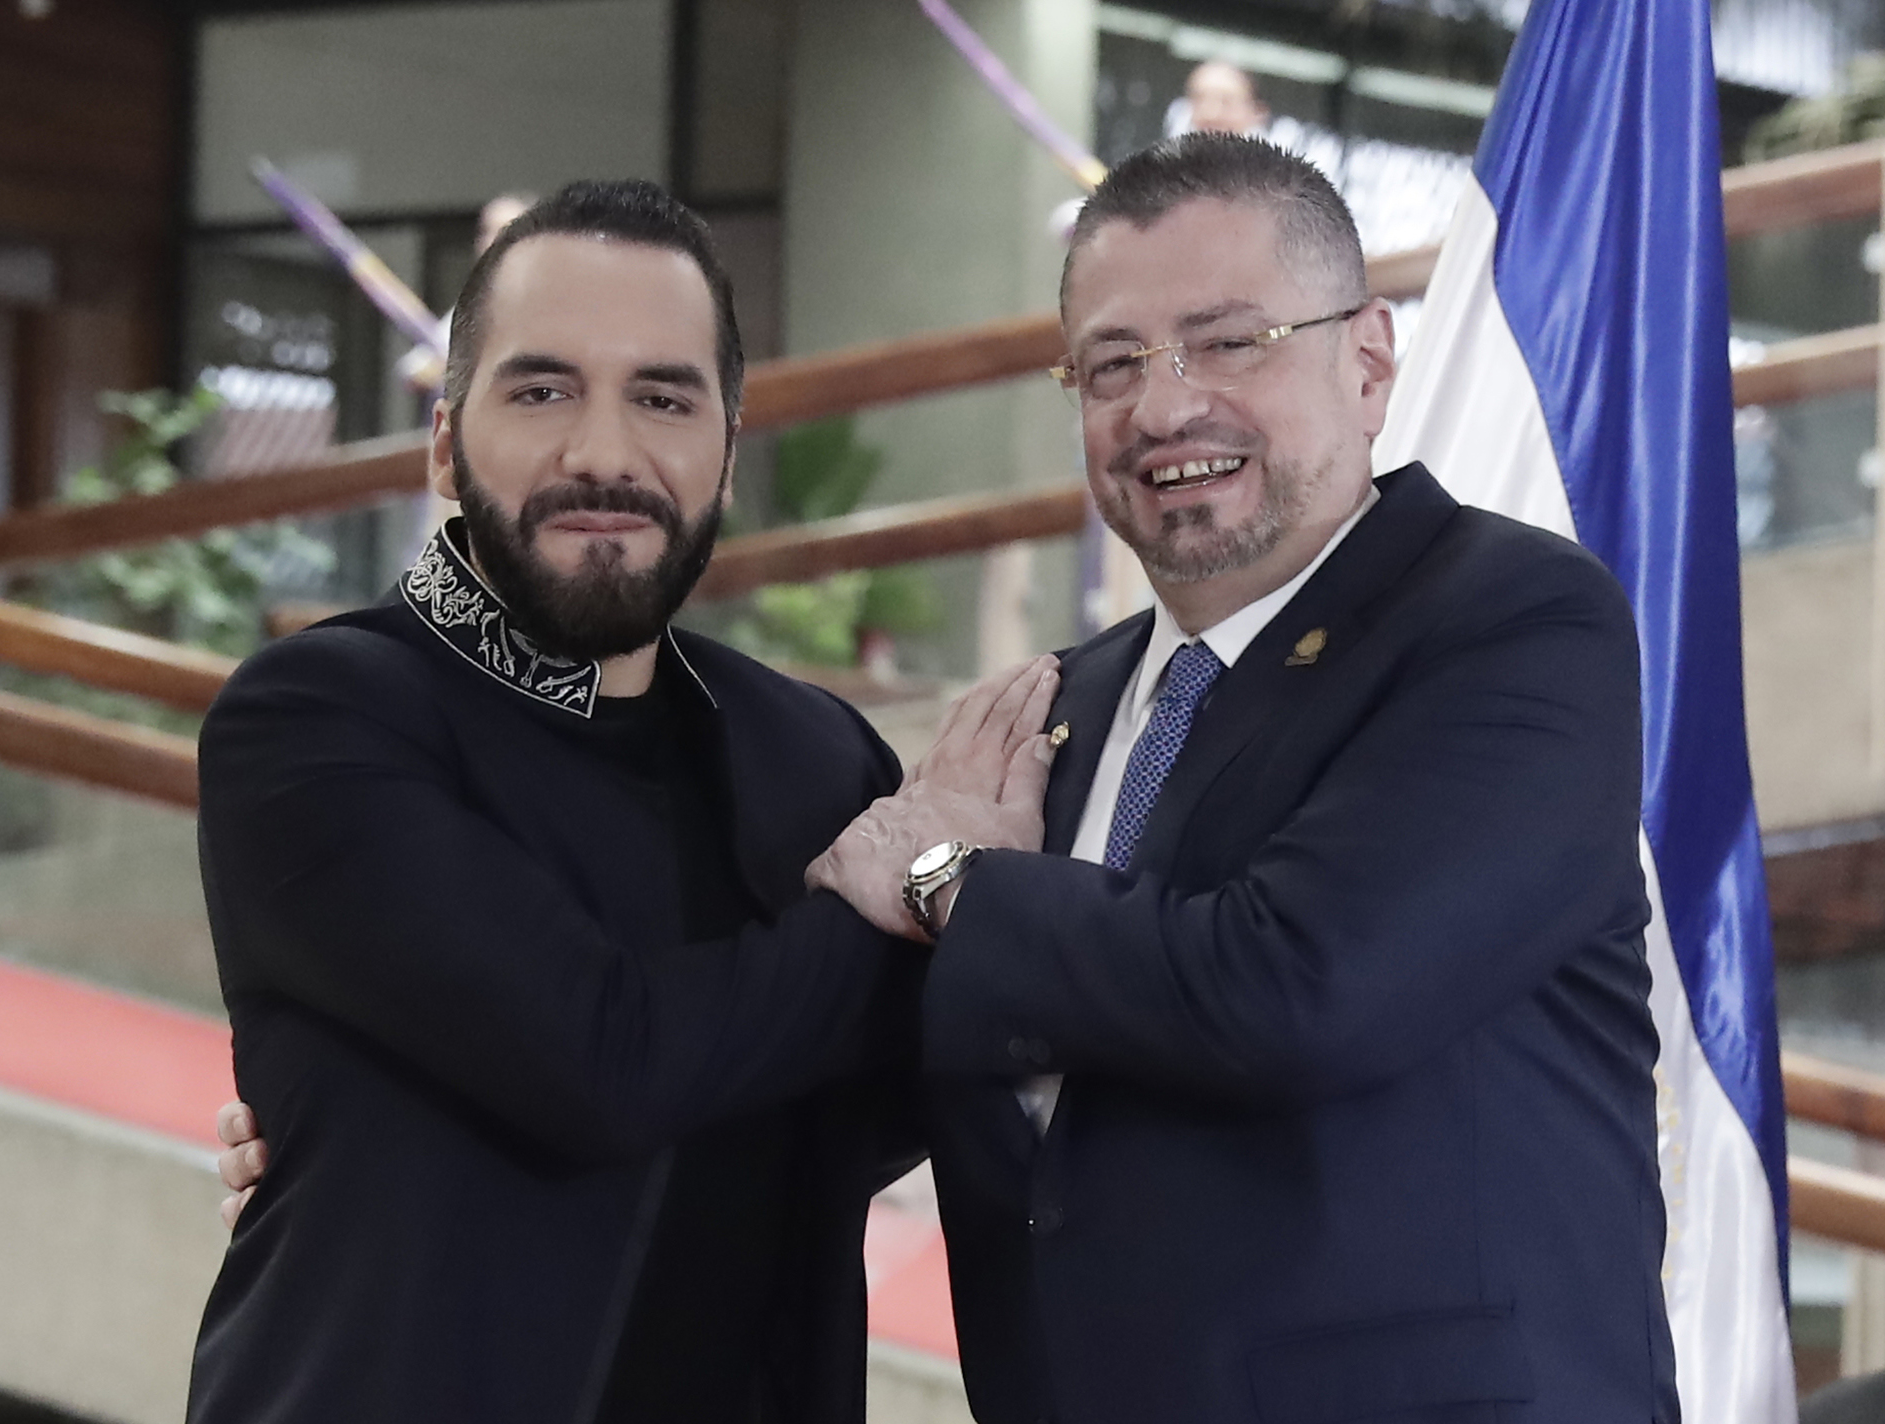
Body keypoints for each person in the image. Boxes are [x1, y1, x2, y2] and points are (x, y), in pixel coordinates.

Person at [809, 132, 1674, 1422]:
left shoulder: (1513, 623)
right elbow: (935, 1079)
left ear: (1370, 360)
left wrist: (942, 881)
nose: (1164, 407)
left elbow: (1295, 985)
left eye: (1228, 342)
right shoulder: (1057, 707)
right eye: (1112, 364)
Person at [186, 178, 1056, 1424]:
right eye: (541, 391)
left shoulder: (811, 753)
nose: (603, 452)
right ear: (443, 439)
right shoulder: (316, 714)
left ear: (724, 446)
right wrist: (893, 887)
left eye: (661, 397)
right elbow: (603, 1060)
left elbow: (859, 1113)